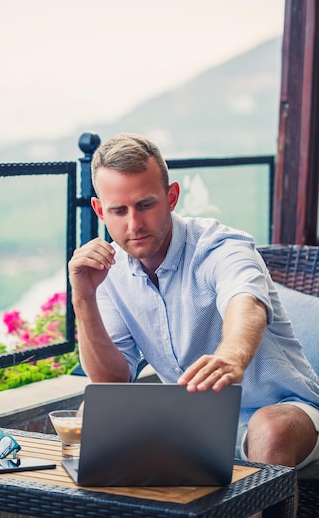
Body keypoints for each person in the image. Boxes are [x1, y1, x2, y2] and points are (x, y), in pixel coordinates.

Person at [68, 132, 319, 477]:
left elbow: (246, 302)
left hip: (289, 412)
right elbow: (112, 380)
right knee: (92, 416)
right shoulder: (108, 271)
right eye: (118, 210)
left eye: (145, 204)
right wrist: (83, 294)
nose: (134, 224)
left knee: (270, 428)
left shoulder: (221, 245)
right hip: (195, 420)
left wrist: (232, 355)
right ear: (99, 210)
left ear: (171, 197)